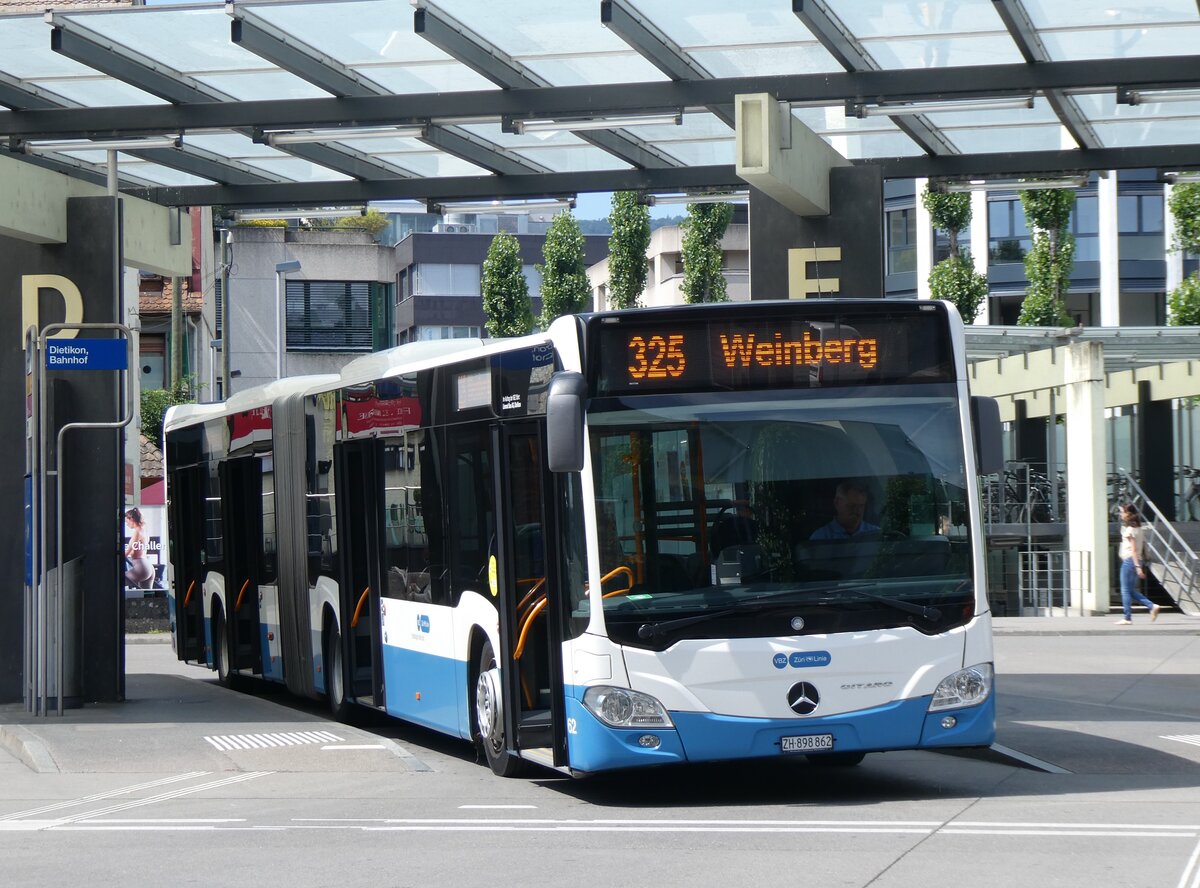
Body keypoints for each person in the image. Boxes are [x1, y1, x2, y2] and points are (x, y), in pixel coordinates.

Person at [1115, 504, 1160, 625]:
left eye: (1122, 512)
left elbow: (1133, 550)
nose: (1121, 514)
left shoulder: (1130, 530)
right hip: (1136, 561)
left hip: (1130, 561)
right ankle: (1152, 606)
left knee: (1125, 590)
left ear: (1128, 514)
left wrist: (1137, 567)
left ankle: (1127, 617)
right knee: (1130, 591)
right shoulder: (1139, 529)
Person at [809, 480, 880, 541]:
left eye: (861, 506)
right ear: (837, 503)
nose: (857, 511)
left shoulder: (876, 534)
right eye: (851, 506)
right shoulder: (820, 537)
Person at [124, 507, 154, 590]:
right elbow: (137, 549)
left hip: (141, 567)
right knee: (147, 598)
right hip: (148, 566)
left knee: (115, 581)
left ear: (132, 519)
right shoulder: (144, 529)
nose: (126, 524)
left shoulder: (137, 532)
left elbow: (127, 553)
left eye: (127, 521)